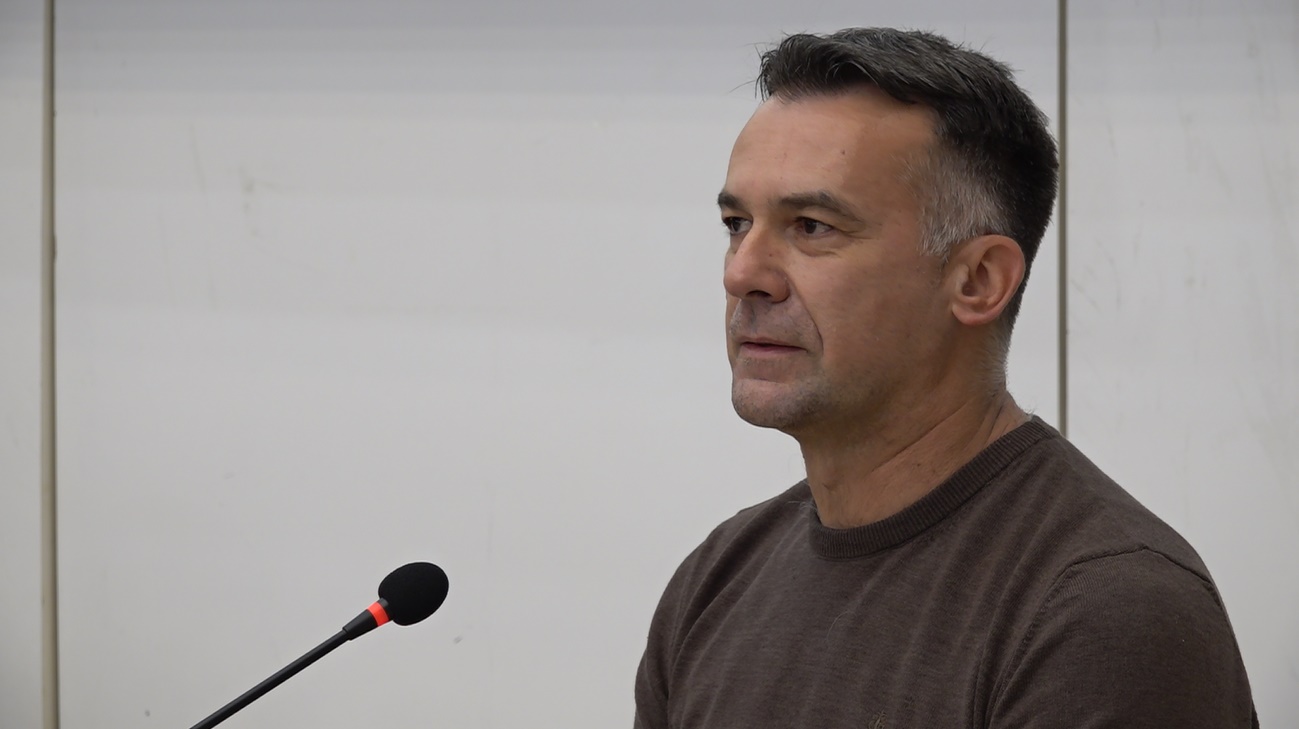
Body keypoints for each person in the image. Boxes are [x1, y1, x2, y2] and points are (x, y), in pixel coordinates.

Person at [633, 28, 1257, 728]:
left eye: (810, 226)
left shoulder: (1103, 609)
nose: (742, 272)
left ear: (978, 280)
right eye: (736, 223)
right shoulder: (716, 580)